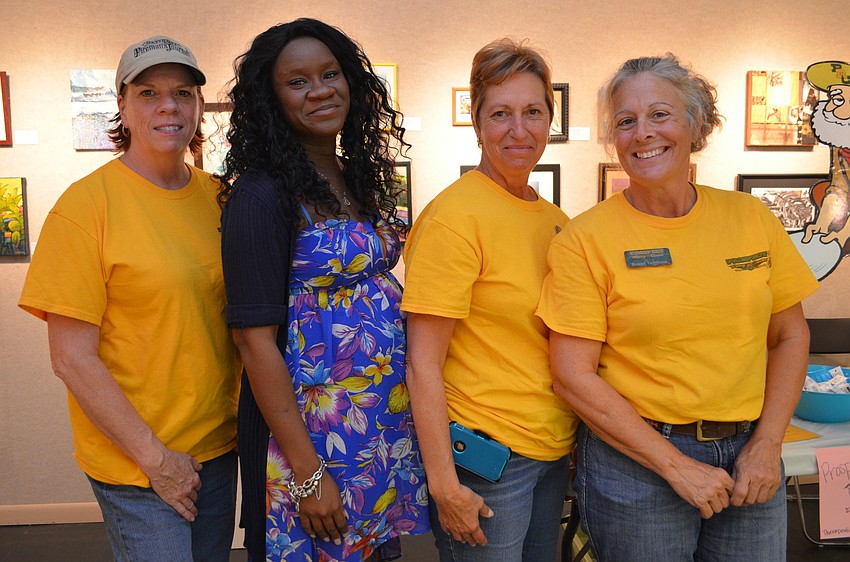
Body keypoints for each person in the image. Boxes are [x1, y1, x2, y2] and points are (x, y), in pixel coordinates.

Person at [536, 54, 820, 561]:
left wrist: (768, 443)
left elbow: (790, 336)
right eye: (626, 121)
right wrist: (675, 466)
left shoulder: (751, 217)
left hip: (750, 456)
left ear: (695, 123)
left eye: (660, 115)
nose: (642, 132)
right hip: (638, 463)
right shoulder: (585, 239)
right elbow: (571, 376)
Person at [18, 36, 240, 562]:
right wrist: (156, 459)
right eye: (148, 93)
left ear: (198, 107)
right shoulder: (85, 208)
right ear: (122, 103)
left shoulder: (219, 197)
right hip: (138, 462)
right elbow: (71, 358)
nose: (168, 106)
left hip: (216, 448)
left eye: (183, 93)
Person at [218, 18, 430, 561]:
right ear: (271, 98)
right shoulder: (260, 196)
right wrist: (309, 478)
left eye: (330, 74)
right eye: (297, 81)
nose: (320, 90)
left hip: (377, 431)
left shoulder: (352, 175)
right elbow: (253, 342)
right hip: (311, 447)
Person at [401, 38, 578, 561]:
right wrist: (443, 484)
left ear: (550, 119)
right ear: (477, 122)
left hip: (550, 450)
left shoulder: (555, 220)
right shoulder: (456, 218)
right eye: (500, 113)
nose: (518, 130)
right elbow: (421, 363)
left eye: (532, 112)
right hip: (487, 460)